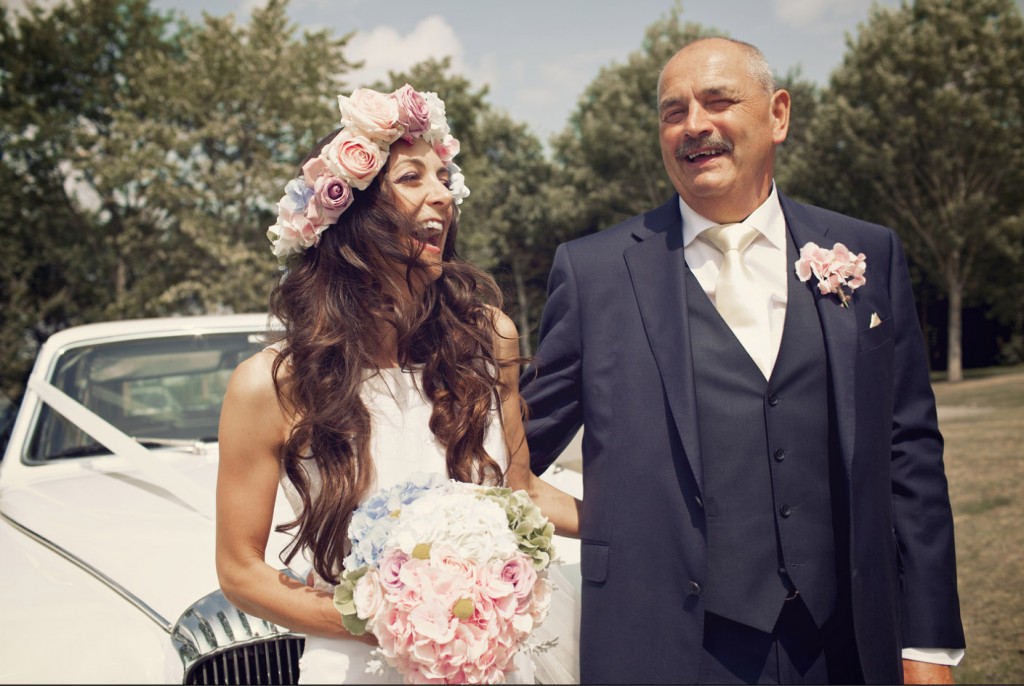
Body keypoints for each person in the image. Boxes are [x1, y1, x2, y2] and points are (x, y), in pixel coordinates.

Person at [520, 37, 965, 685]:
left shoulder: (867, 254)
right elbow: (511, 454)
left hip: (842, 647)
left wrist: (927, 646)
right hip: (666, 649)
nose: (695, 124)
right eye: (674, 112)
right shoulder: (592, 273)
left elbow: (911, 460)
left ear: (778, 115)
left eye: (719, 101)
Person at [215, 85, 578, 684]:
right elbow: (239, 571)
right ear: (348, 213)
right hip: (359, 666)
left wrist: (649, 526)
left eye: (443, 177)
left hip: (495, 665)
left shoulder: (490, 339)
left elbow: (524, 495)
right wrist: (391, 619)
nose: (443, 193)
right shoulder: (270, 385)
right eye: (412, 178)